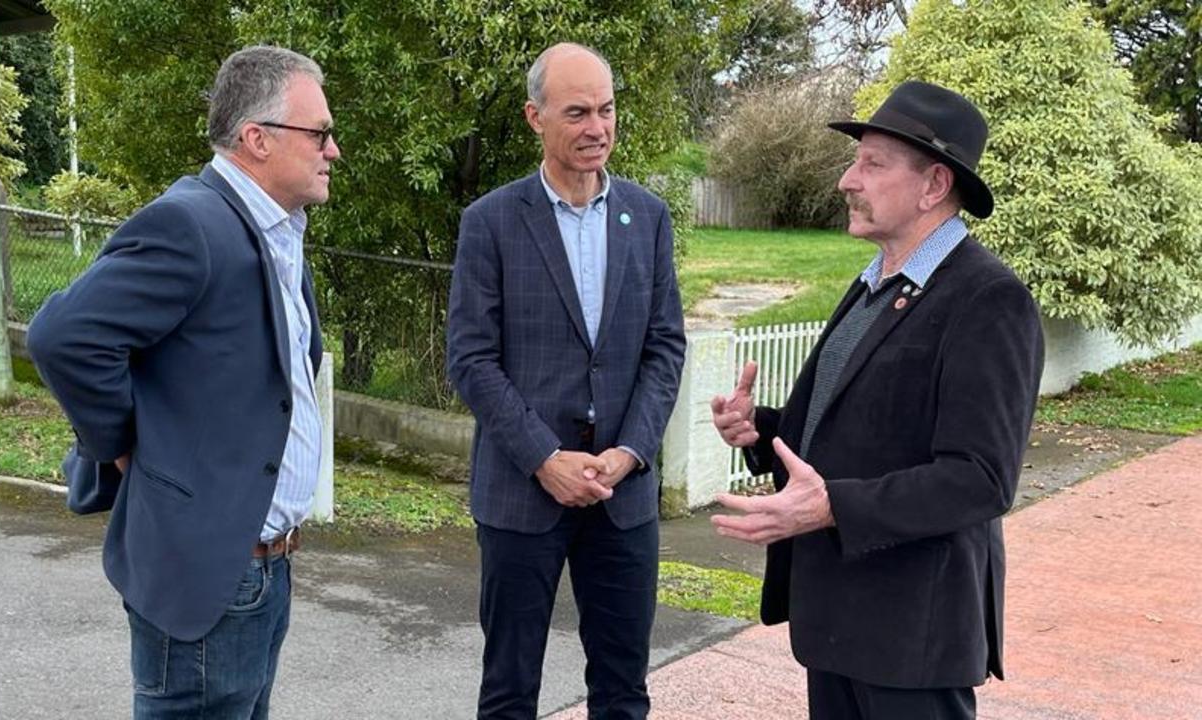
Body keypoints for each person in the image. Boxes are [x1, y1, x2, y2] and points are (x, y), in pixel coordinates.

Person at [710, 80, 1044, 719]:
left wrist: (831, 504)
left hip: (912, 636)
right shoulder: (875, 285)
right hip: (837, 620)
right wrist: (762, 430)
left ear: (933, 186)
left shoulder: (987, 299)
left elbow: (980, 478)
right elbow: (855, 427)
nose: (846, 180)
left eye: (872, 164)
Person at [27, 45, 338, 718]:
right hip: (210, 574)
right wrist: (120, 442)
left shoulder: (273, 232)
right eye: (319, 133)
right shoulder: (193, 225)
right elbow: (65, 336)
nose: (332, 150)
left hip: (261, 569)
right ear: (257, 138)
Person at [446, 42, 686, 720]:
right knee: (509, 691)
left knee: (622, 691)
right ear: (535, 117)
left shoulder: (649, 218)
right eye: (577, 113)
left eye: (606, 110)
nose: (597, 129)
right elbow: (471, 358)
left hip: (623, 495)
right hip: (523, 495)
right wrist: (544, 459)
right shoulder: (490, 222)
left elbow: (665, 347)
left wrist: (630, 452)